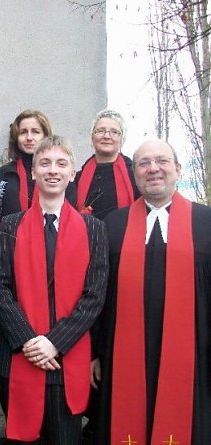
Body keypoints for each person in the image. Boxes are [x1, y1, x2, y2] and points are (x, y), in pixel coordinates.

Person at [0, 136, 108, 444]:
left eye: (61, 164)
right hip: (19, 354)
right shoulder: (10, 225)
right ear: (33, 172)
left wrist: (54, 343)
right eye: (44, 163)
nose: (52, 170)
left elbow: (94, 295)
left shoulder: (93, 228)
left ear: (72, 174)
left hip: (66, 357)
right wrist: (29, 341)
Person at [94, 139, 211, 445]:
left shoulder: (206, 222)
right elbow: (99, 295)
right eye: (144, 163)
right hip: (123, 353)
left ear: (177, 168)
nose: (153, 169)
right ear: (135, 174)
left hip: (193, 354)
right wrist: (96, 352)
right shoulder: (113, 225)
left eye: (161, 161)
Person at [74, 109, 140, 219]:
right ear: (92, 137)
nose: (106, 136)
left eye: (114, 132)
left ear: (122, 139)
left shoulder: (135, 175)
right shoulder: (78, 178)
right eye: (100, 131)